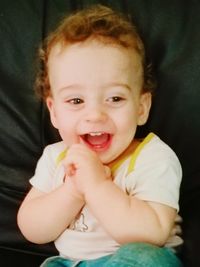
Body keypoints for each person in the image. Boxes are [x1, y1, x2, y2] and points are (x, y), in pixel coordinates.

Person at [17, 4, 183, 267]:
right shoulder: (55, 157)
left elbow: (152, 235)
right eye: (76, 100)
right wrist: (73, 190)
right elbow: (33, 229)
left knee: (148, 258)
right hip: (68, 263)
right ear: (54, 112)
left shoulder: (153, 158)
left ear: (141, 108)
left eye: (115, 98)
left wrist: (96, 186)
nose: (95, 115)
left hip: (131, 260)